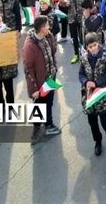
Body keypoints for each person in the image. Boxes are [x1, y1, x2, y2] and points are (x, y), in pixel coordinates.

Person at [79, 32, 106, 157]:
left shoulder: (105, 56)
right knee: (92, 121)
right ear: (86, 47)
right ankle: (98, 141)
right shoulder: (84, 57)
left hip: (101, 93)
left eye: (95, 45)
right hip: (88, 95)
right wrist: (86, 82)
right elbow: (81, 74)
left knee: (104, 119)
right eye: (90, 47)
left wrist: (96, 83)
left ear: (98, 44)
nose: (93, 49)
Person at [23, 16, 61, 144]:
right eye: (47, 25)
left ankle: (49, 125)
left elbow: (53, 51)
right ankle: (36, 129)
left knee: (49, 102)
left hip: (50, 78)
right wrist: (33, 89)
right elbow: (28, 69)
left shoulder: (48, 36)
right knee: (39, 105)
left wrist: (54, 68)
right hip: (40, 83)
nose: (49, 27)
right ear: (41, 28)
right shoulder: (29, 46)